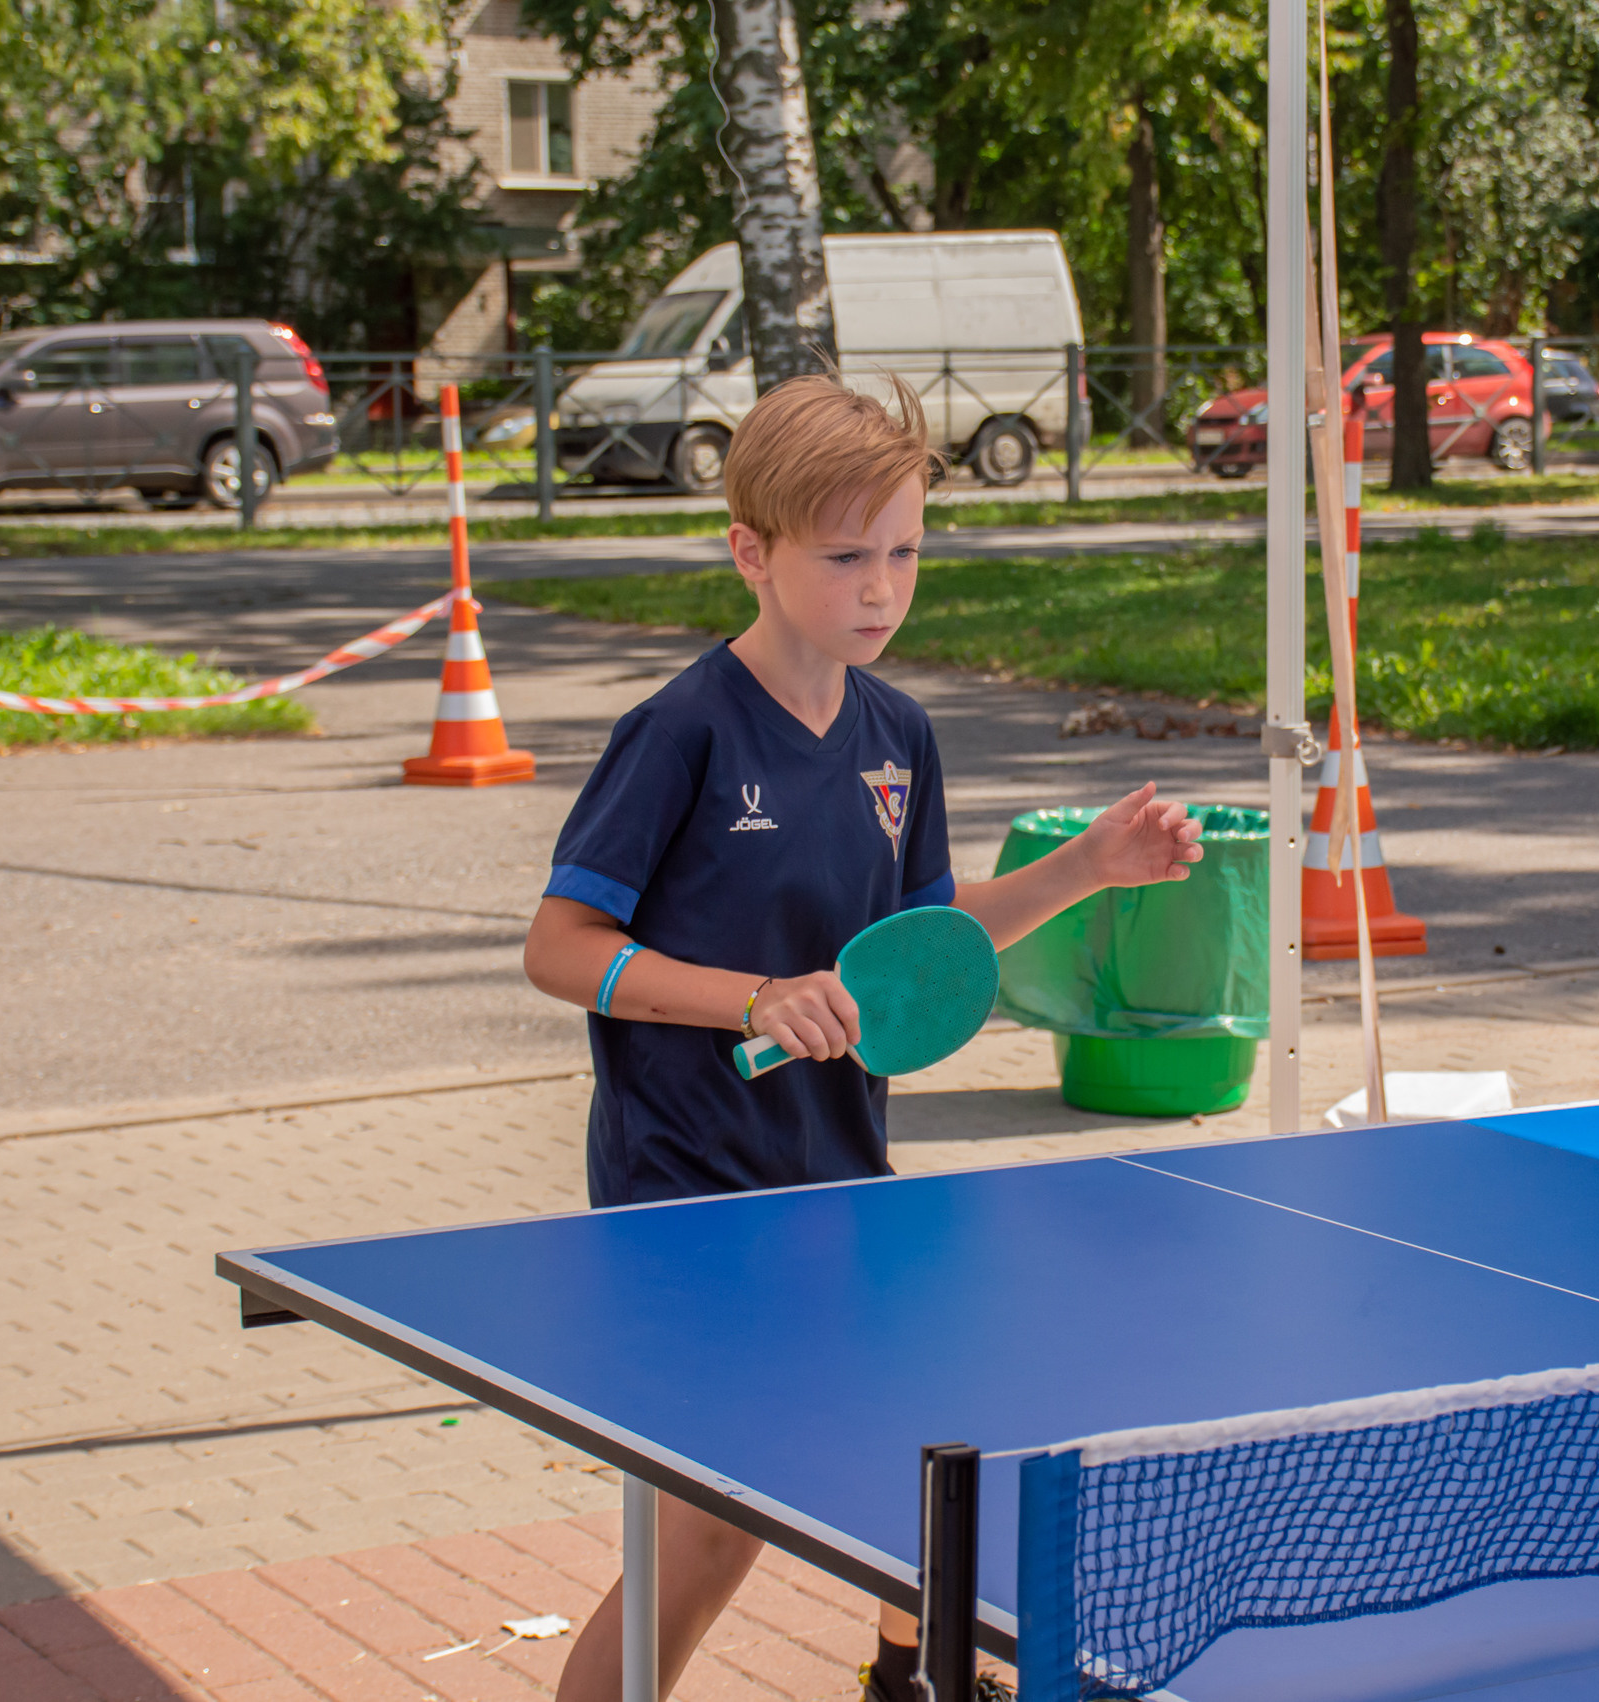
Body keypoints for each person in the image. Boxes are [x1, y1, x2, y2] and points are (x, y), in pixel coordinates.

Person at [521, 373, 1204, 1702]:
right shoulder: (680, 732)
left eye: (904, 553)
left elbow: (928, 941)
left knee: (932, 1431)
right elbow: (560, 949)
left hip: (835, 1171)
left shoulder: (900, 734)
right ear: (751, 552)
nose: (881, 588)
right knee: (707, 1531)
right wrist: (753, 996)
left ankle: (914, 1668)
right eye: (846, 557)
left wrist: (1091, 863)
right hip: (688, 1188)